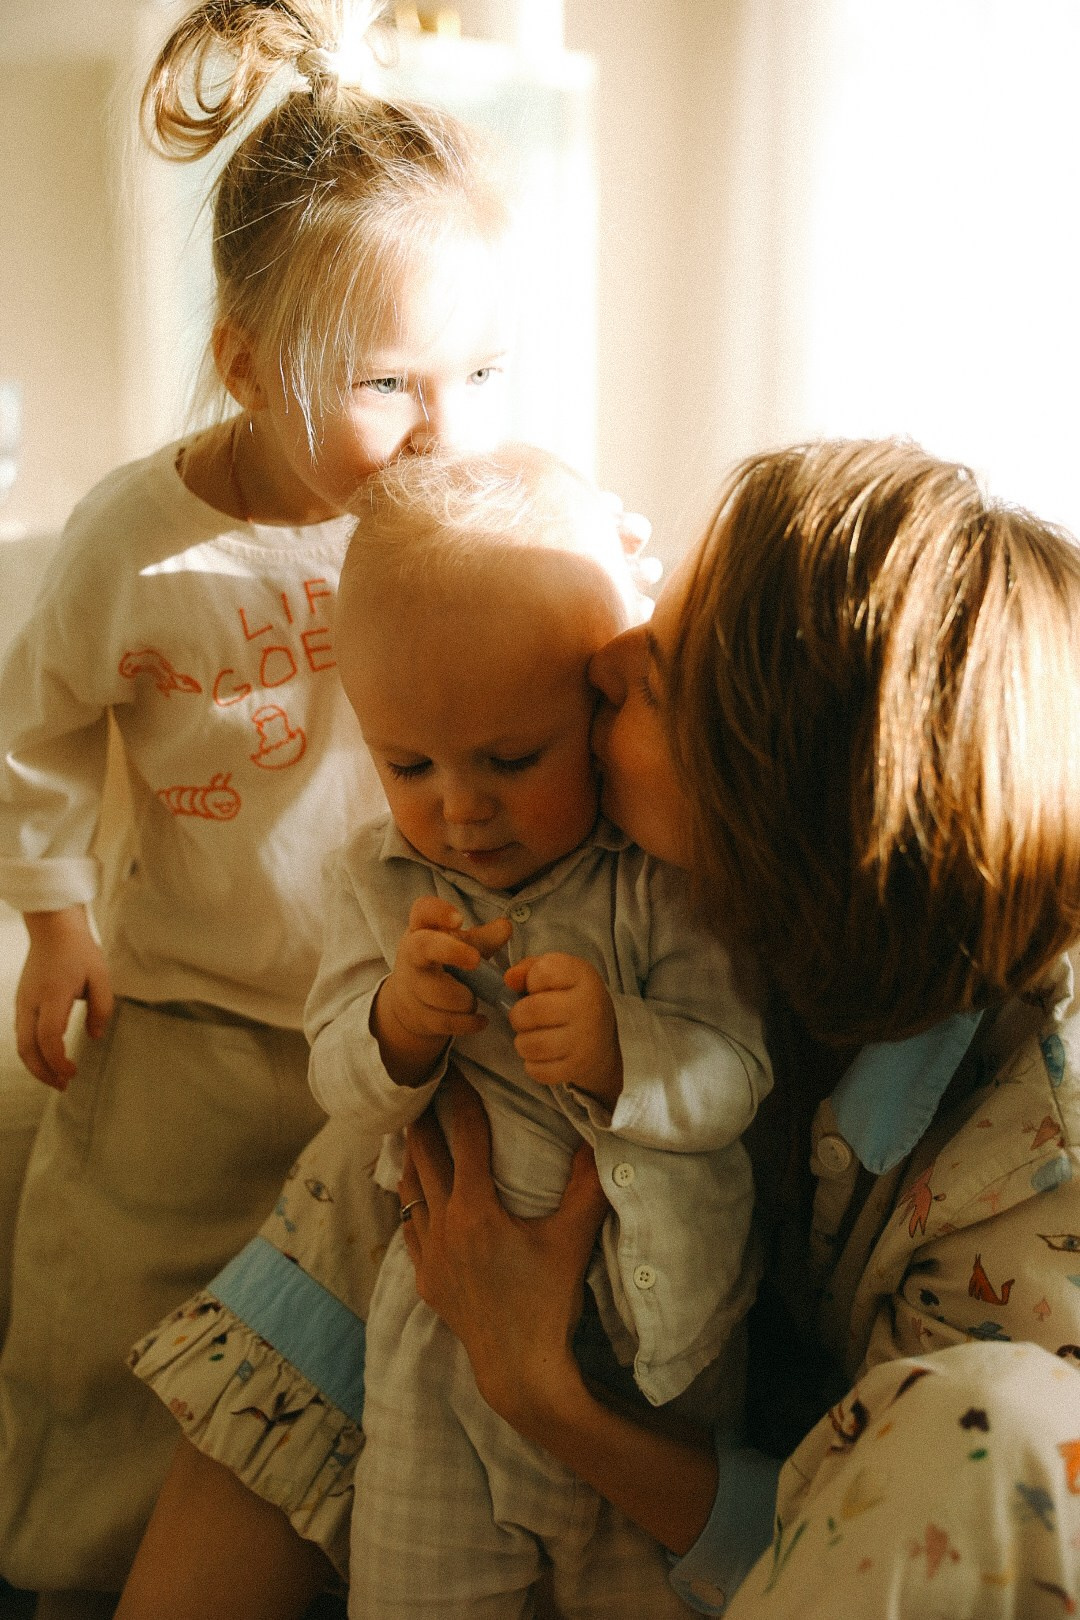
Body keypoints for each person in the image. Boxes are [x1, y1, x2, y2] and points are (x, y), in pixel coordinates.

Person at [122, 436, 1080, 1619]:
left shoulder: (1023, 1198)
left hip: (723, 1480)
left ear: (762, 813)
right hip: (513, 1377)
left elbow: (847, 1545)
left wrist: (540, 1392)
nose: (607, 657)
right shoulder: (608, 904)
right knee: (416, 1145)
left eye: (657, 674)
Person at [0, 0, 522, 1603]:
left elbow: (563, 648)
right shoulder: (135, 543)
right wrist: (55, 917)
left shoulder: (456, 516)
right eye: (386, 383)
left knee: (324, 1348)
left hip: (384, 1021)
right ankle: (71, 1569)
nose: (444, 428)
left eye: (479, 372)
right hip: (185, 1016)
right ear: (244, 363)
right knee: (110, 1319)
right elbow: (34, 731)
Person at [311, 444, 770, 1616]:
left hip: (661, 1358)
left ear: (596, 707)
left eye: (512, 759)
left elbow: (737, 1070)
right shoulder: (379, 881)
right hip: (444, 1358)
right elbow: (337, 1078)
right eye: (406, 763)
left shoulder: (656, 881)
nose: (459, 808)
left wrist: (626, 1051)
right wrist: (396, 1026)